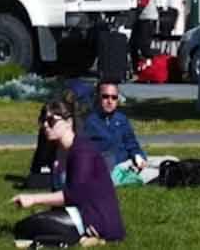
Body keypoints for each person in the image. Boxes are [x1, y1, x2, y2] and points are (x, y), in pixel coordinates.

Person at [13, 93, 125, 244]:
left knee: (27, 227)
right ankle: (75, 239)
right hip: (77, 212)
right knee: (25, 227)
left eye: (51, 121)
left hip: (96, 218)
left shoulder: (82, 151)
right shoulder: (58, 151)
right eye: (43, 121)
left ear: (69, 122)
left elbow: (73, 195)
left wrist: (33, 199)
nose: (46, 125)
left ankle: (90, 238)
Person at [130, 0, 157, 65]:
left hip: (148, 18)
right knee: (132, 45)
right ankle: (136, 68)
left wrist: (134, 3)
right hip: (140, 18)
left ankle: (156, 60)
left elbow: (144, 1)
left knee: (144, 46)